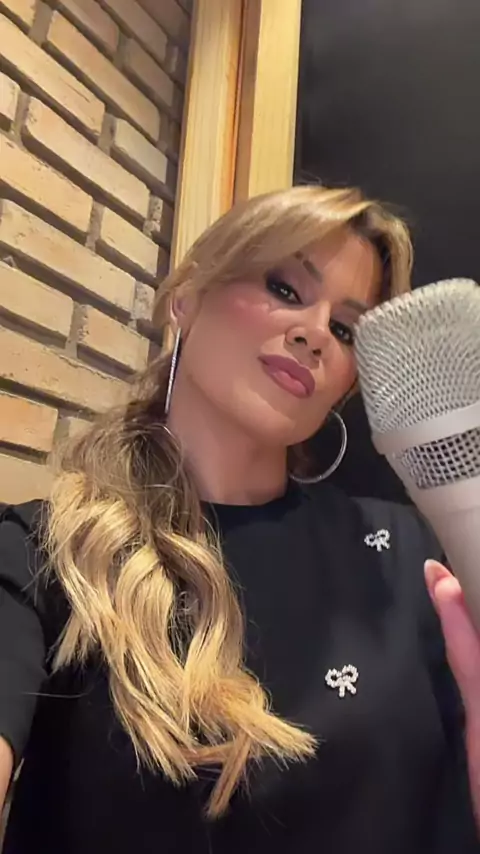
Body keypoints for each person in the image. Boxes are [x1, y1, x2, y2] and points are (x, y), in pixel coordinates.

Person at [0, 185, 478, 853]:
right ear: (187, 296)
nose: (315, 332)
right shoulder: (47, 555)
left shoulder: (407, 556)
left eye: (345, 329)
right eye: (285, 288)